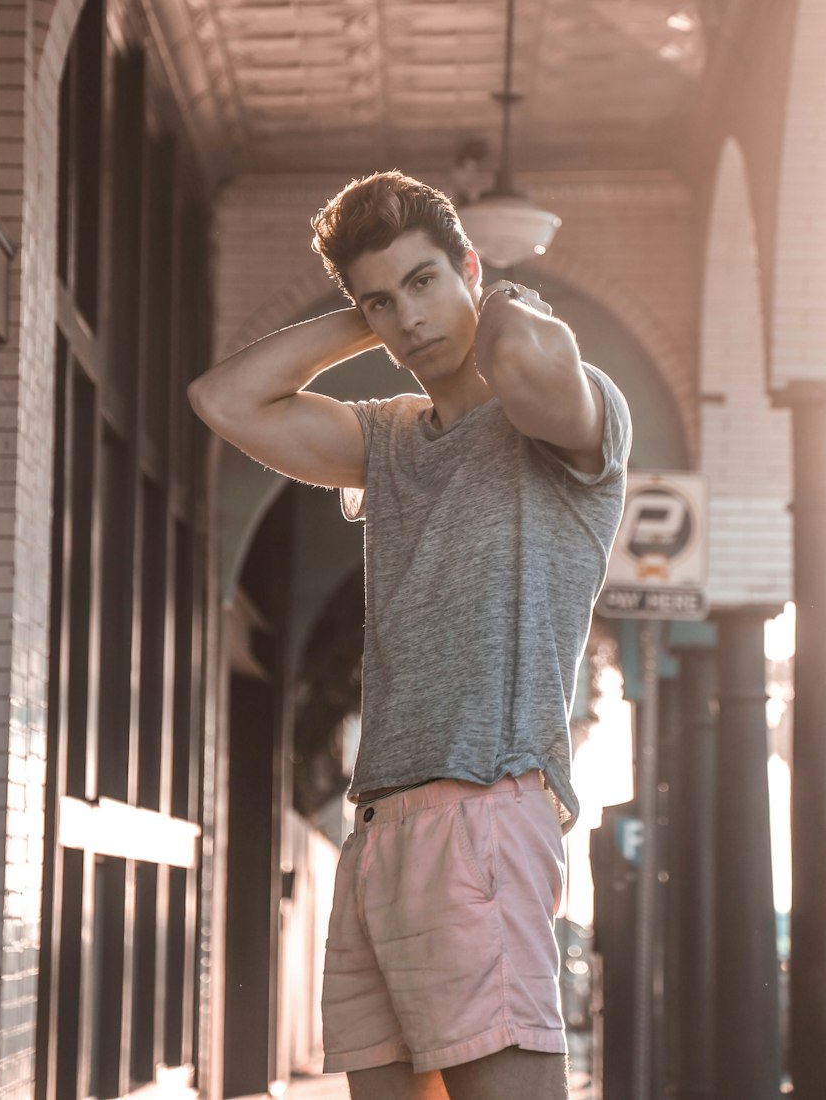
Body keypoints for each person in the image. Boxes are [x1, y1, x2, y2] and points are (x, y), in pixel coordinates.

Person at [188, 170, 631, 1100]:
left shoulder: (565, 420)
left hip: (486, 809)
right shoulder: (386, 439)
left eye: (425, 282)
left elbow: (523, 366)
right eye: (382, 301)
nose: (409, 320)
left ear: (469, 266)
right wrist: (372, 312)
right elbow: (224, 400)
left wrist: (489, 295)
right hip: (380, 829)